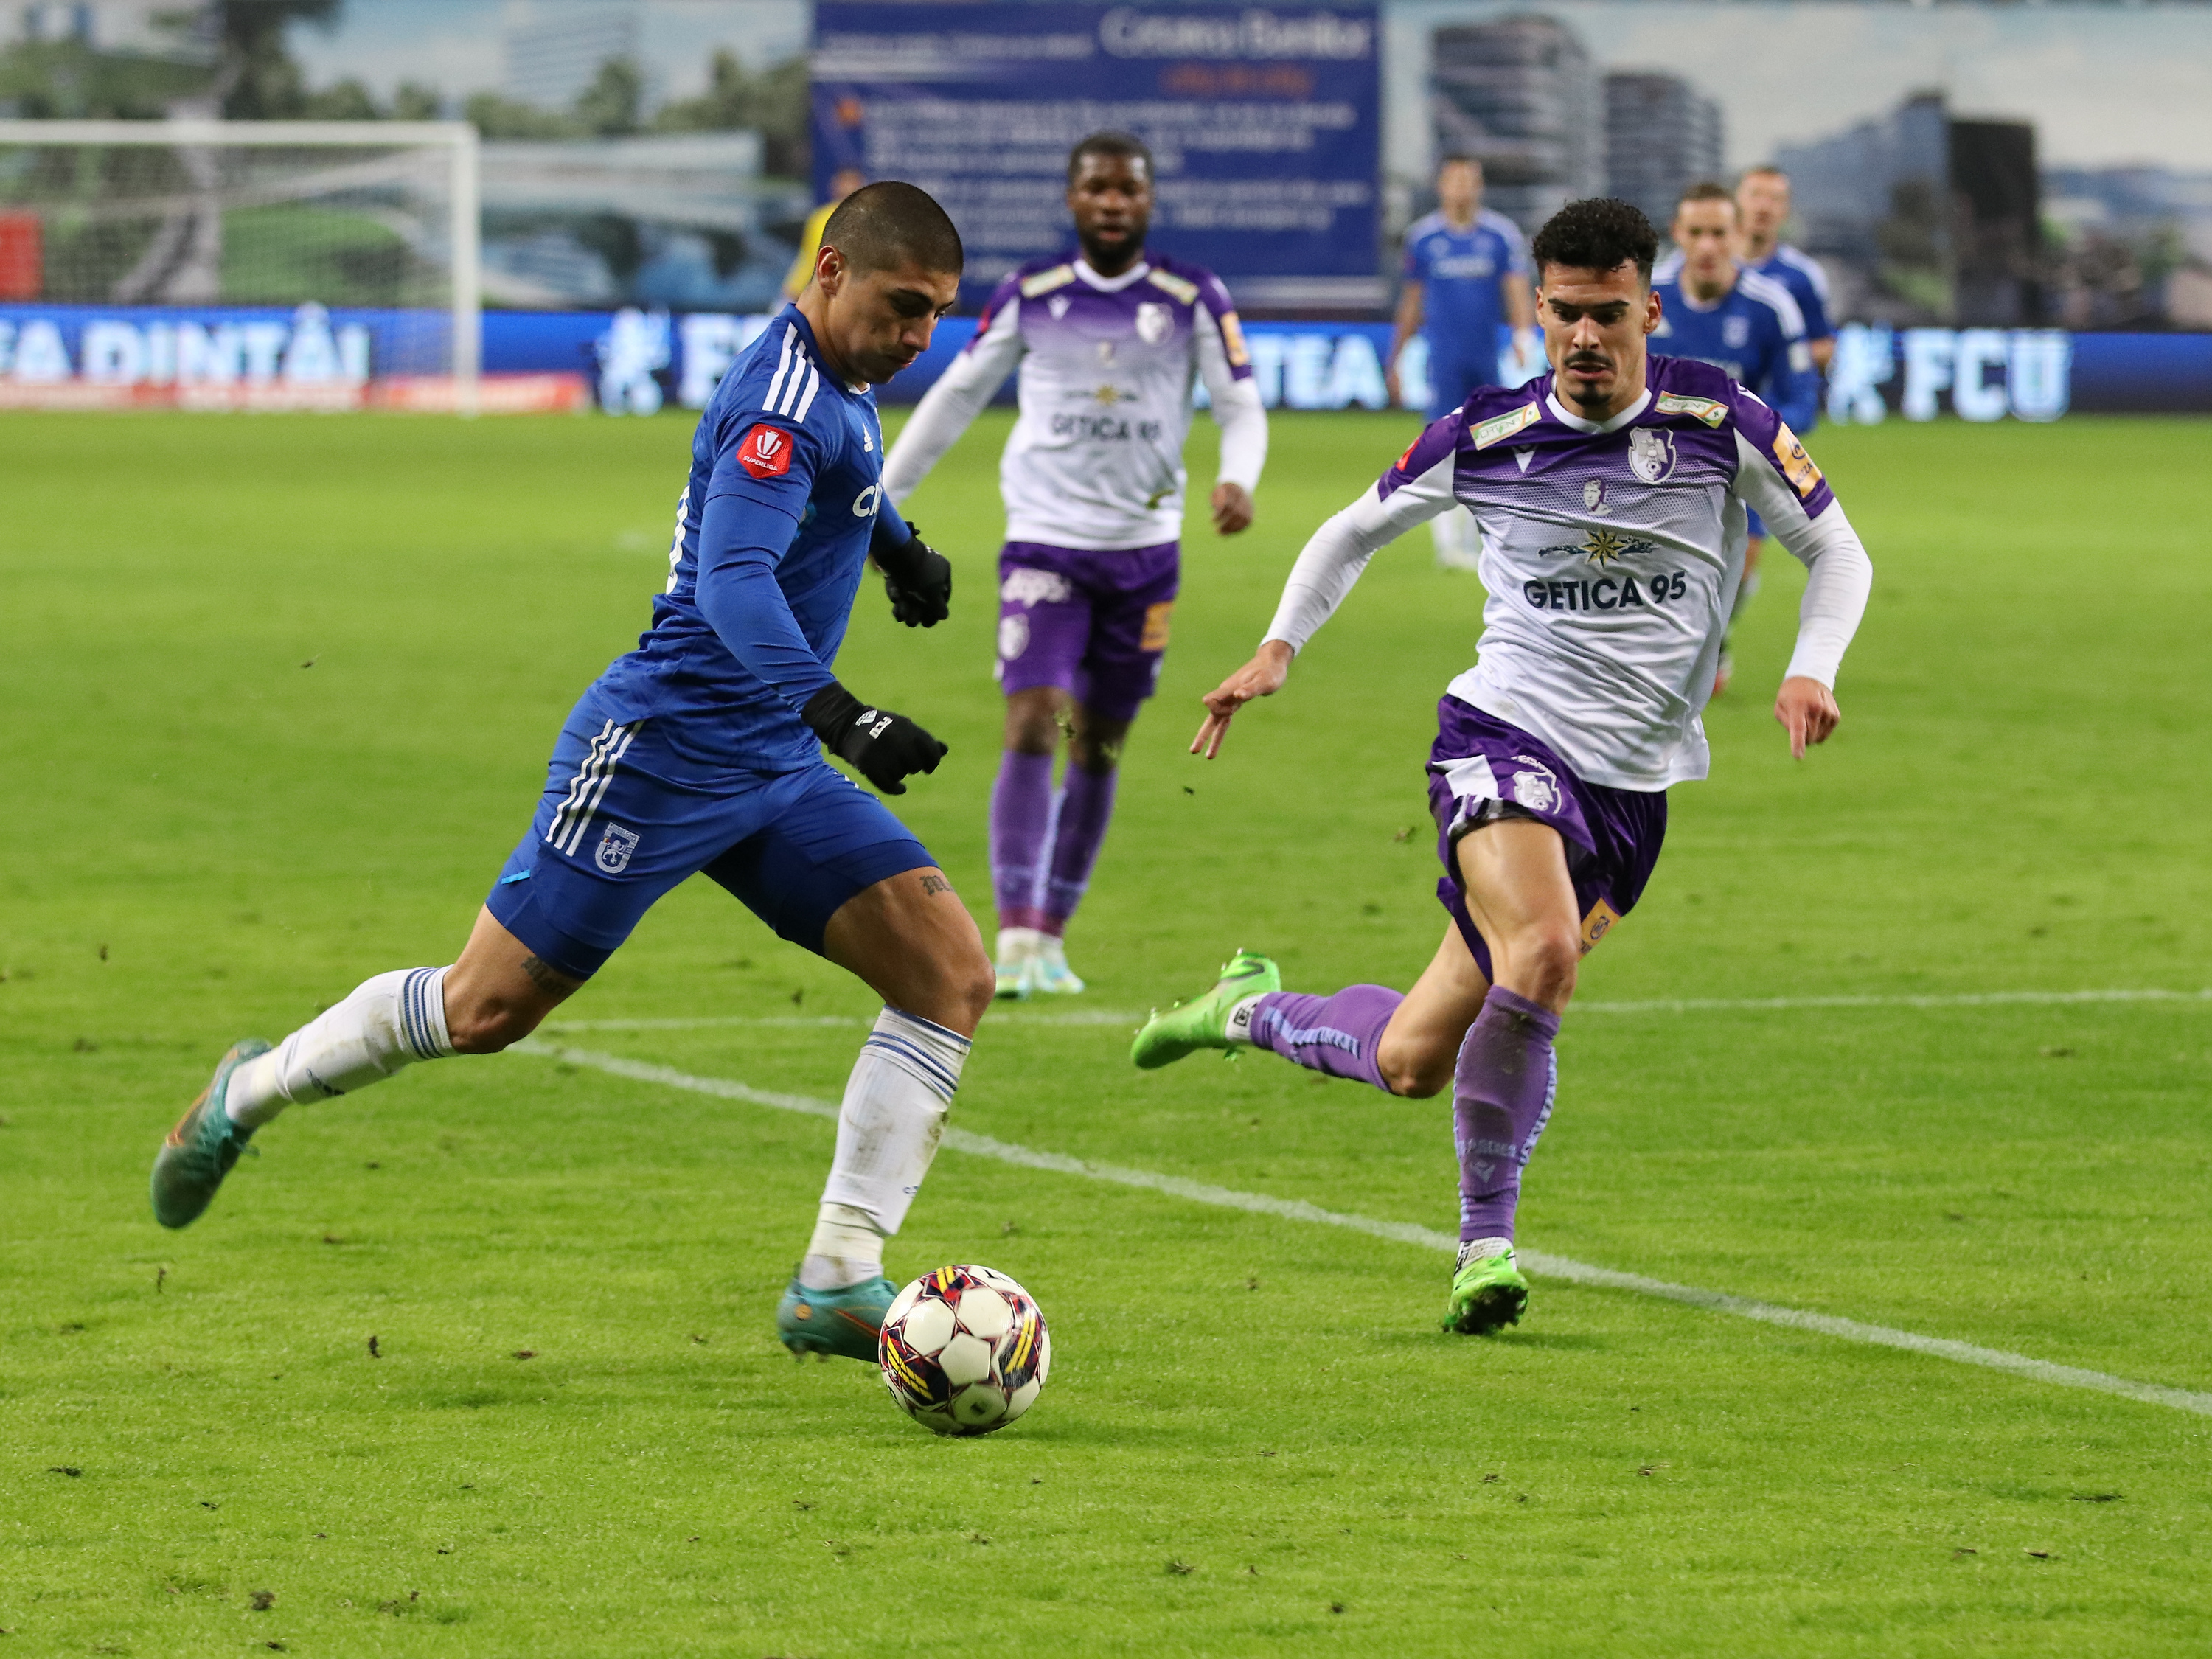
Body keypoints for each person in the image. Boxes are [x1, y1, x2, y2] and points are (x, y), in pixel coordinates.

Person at [152, 183, 995, 1367]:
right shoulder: (779, 397)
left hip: (768, 764)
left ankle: (838, 1276)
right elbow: (734, 582)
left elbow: (848, 475)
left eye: (939, 317)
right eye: (906, 307)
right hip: (661, 750)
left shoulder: (841, 387)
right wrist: (843, 715)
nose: (920, 338)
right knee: (483, 1009)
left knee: (950, 974)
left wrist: (902, 551)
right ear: (836, 272)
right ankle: (248, 1091)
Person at [1129, 197, 1871, 1338]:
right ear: (1538, 310)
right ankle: (1486, 1246)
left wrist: (1810, 666)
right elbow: (1348, 531)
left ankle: (1248, 1007)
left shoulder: (1717, 419)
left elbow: (1836, 547)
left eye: (1608, 314)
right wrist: (1280, 647)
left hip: (1634, 791)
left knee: (1415, 1054)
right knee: (1547, 949)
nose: (1584, 336)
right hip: (1501, 736)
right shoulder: (1483, 433)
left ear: (1648, 307)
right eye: (1565, 313)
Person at [883, 131, 1267, 1000]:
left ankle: (1052, 936)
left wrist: (1238, 477)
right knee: (1031, 720)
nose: (1111, 202)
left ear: (1148, 200)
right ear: (1072, 199)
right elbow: (955, 397)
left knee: (1099, 741)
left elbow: (1242, 405)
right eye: (1096, 188)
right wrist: (880, 497)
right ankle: (1014, 934)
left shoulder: (1191, 297)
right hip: (1045, 543)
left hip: (1144, 556)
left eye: (1127, 189)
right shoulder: (1033, 293)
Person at [1652, 181, 1820, 695]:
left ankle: (1715, 638)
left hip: (1739, 467)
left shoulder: (1771, 306)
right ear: (1678, 233)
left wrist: (1749, 435)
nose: (1706, 246)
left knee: (1739, 574)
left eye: (1718, 233)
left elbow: (1803, 398)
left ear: (1738, 235)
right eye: (1696, 232)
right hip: (1655, 464)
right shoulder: (1645, 298)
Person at [1385, 154, 1537, 571]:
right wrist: (1396, 356)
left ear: (1479, 186)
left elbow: (1517, 289)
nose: (1462, 189)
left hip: (1485, 357)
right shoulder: (1423, 239)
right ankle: (1446, 544)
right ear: (1441, 186)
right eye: (1454, 181)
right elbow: (1412, 301)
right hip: (1444, 359)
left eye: (1469, 181)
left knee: (1489, 443)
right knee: (1439, 445)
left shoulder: (1499, 235)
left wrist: (1524, 335)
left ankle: (1475, 539)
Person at [1735, 166, 1834, 374]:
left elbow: (1824, 349)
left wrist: (1774, 360)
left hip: (1773, 403)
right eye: (1755, 195)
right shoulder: (1703, 267)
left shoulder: (1803, 274)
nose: (1763, 207)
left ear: (1786, 210)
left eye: (1774, 198)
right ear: (1736, 203)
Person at [784, 166, 869, 301]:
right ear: (834, 185)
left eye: (852, 182)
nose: (847, 187)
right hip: (821, 293)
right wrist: (795, 287)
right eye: (843, 182)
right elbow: (809, 258)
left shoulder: (868, 220)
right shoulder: (820, 218)